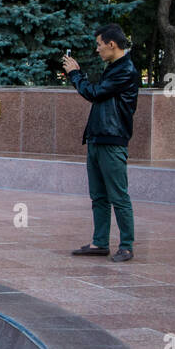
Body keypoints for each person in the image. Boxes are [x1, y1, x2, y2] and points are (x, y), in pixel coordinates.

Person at [60, 24, 138, 261]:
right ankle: (100, 242)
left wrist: (75, 73)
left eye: (99, 44)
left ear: (111, 44)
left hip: (112, 141)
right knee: (99, 195)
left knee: (118, 195)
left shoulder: (126, 70)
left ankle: (126, 245)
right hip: (97, 138)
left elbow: (94, 93)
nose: (97, 49)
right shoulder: (114, 67)